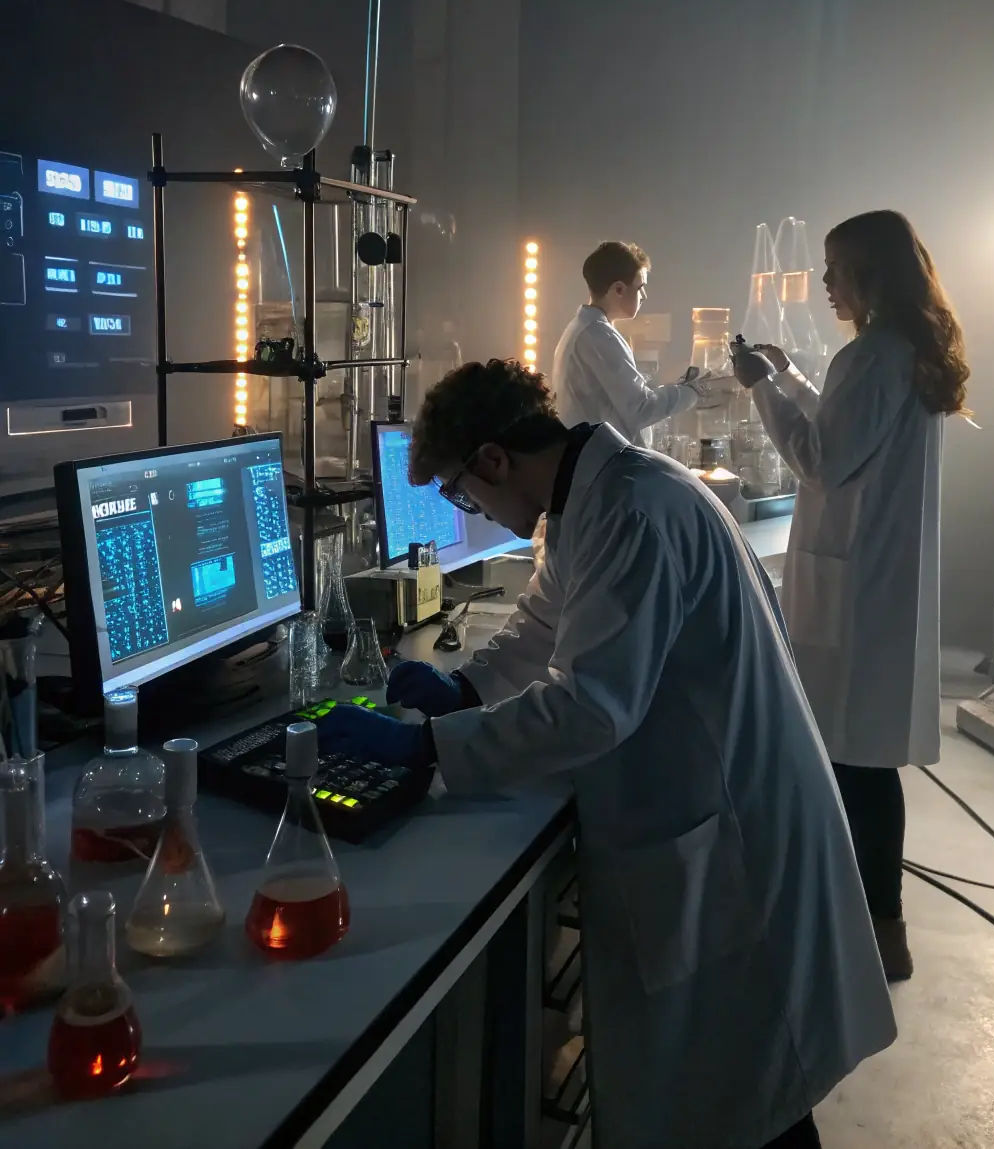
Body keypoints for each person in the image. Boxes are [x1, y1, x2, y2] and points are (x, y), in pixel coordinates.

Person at [320, 358, 896, 1149]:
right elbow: (543, 626)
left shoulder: (632, 508)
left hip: (733, 844)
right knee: (739, 1096)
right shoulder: (597, 495)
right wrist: (467, 691)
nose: (471, 509)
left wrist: (428, 745)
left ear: (494, 459)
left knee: (753, 1106)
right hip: (718, 820)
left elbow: (592, 707)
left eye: (463, 492)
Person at [731, 210, 969, 983]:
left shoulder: (872, 356)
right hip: (876, 584)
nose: (826, 282)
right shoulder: (904, 352)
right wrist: (793, 376)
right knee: (865, 761)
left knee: (851, 763)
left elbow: (818, 456)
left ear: (868, 272)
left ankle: (872, 924)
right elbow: (850, 428)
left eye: (835, 268)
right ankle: (875, 919)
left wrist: (763, 390)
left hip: (855, 592)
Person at [552, 239, 718, 445]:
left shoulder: (585, 329)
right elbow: (641, 408)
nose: (644, 295)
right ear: (619, 289)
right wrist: (693, 391)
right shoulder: (599, 336)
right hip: (601, 463)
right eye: (640, 287)